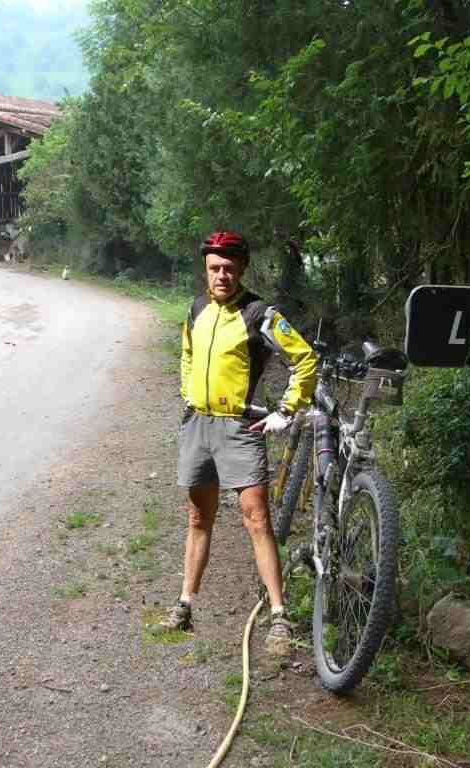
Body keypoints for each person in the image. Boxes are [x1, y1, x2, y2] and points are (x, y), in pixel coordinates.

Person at [160, 231, 317, 655]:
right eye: (214, 268)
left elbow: (305, 359)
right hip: (198, 425)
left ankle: (280, 616)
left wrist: (286, 411)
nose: (222, 275)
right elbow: (187, 353)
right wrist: (188, 393)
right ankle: (185, 605)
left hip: (240, 429)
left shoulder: (259, 313)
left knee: (257, 519)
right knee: (198, 517)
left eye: (229, 268)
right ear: (206, 269)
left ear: (242, 269)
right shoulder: (196, 308)